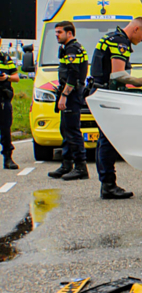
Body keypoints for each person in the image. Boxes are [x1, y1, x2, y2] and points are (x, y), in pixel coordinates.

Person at [90, 17, 142, 199]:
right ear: (136, 29)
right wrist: (139, 81)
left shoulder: (111, 37)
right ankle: (109, 186)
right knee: (108, 140)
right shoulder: (120, 42)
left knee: (104, 139)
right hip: (106, 95)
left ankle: (107, 184)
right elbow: (117, 74)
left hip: (99, 92)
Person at [47, 22, 90, 180]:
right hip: (70, 93)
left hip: (72, 94)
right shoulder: (68, 48)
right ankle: (66, 165)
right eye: (56, 32)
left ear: (69, 33)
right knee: (65, 129)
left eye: (59, 32)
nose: (57, 35)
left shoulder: (73, 49)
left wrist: (64, 95)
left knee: (72, 130)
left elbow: (73, 75)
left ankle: (80, 168)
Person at [0, 37, 19, 170]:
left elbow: (16, 77)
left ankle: (8, 157)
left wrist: (7, 77)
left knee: (6, 129)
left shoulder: (5, 58)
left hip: (3, 98)